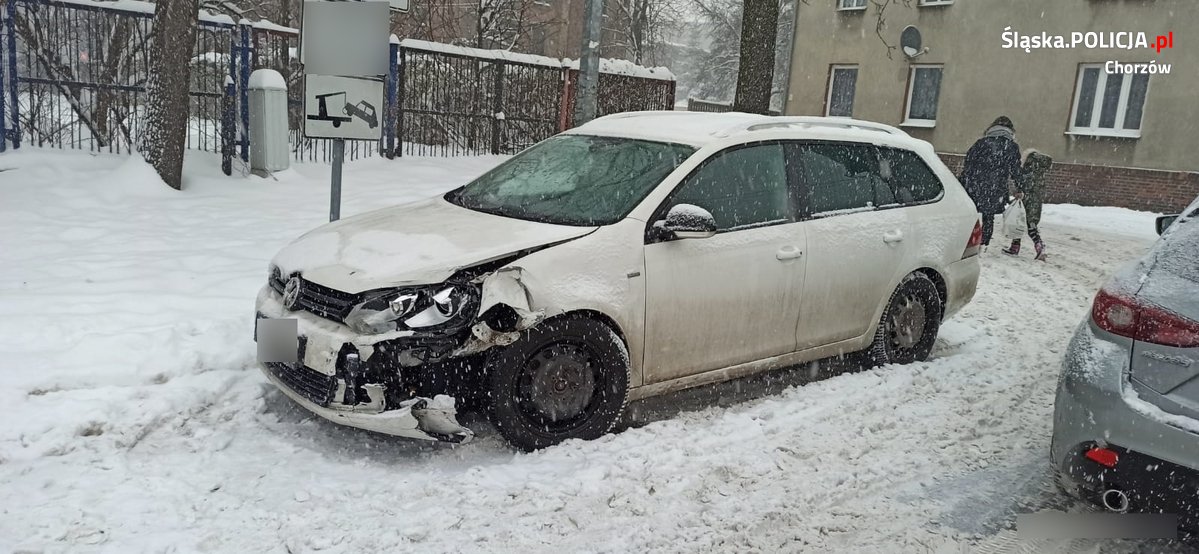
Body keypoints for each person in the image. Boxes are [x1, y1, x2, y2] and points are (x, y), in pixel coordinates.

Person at [961, 116, 1022, 248]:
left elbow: (969, 162)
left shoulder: (981, 142)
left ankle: (967, 238)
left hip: (976, 183)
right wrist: (1019, 188)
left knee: (971, 211)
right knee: (988, 215)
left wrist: (965, 179)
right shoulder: (1011, 147)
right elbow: (1016, 170)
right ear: (1011, 130)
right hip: (996, 186)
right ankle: (984, 242)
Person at [1004, 149, 1053, 261]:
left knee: (1019, 222)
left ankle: (1017, 247)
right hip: (1036, 201)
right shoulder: (1039, 172)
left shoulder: (1027, 171)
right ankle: (1038, 246)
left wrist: (1019, 191)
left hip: (1025, 200)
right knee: (1031, 224)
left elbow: (1023, 184)